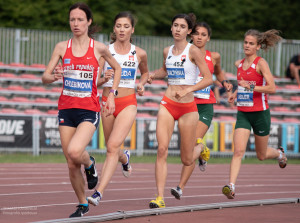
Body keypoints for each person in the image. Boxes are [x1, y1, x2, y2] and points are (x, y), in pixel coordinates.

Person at [42, 2, 121, 218]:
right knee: (70, 162)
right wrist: (55, 76)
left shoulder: (99, 48)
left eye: (79, 19)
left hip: (88, 109)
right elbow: (45, 77)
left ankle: (91, 163)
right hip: (66, 109)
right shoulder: (61, 47)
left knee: (76, 152)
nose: (75, 23)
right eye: (72, 20)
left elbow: (117, 68)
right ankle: (82, 204)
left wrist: (112, 93)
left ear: (88, 22)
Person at [147, 13, 213, 208]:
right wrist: (152, 76)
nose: (177, 29)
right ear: (171, 28)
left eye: (182, 27)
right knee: (161, 149)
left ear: (189, 31)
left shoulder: (194, 51)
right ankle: (159, 197)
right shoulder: (167, 50)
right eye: (175, 25)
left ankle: (200, 148)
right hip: (168, 103)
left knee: (186, 160)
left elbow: (208, 78)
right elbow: (164, 70)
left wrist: (189, 89)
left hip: (188, 108)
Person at [87, 12, 149, 206]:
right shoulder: (105, 51)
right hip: (107, 102)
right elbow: (94, 82)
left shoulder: (139, 53)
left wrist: (141, 84)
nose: (122, 29)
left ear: (132, 29)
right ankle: (125, 158)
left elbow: (145, 73)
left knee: (112, 147)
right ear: (114, 29)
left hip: (128, 102)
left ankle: (98, 193)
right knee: (113, 149)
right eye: (119, 26)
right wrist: (104, 78)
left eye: (126, 26)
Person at [222, 29, 287, 199]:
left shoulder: (261, 63)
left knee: (261, 155)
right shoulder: (239, 64)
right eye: (245, 43)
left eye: (251, 44)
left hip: (260, 114)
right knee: (238, 151)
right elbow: (242, 86)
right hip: (243, 113)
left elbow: (272, 88)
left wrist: (251, 87)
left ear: (258, 46)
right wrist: (234, 95)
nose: (247, 46)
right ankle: (231, 186)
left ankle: (280, 154)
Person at [170, 22, 233, 200]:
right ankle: (203, 149)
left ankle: (180, 187)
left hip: (204, 106)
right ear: (191, 35)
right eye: (196, 33)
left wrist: (225, 83)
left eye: (203, 34)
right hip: (187, 105)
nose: (199, 37)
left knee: (190, 146)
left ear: (208, 38)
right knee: (187, 148)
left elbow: (219, 73)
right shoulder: (184, 53)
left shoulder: (214, 56)